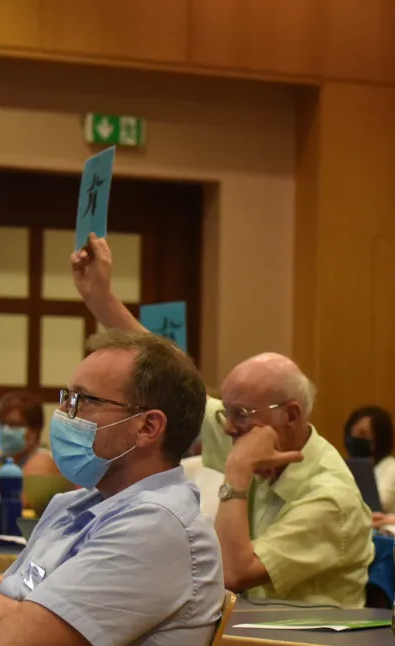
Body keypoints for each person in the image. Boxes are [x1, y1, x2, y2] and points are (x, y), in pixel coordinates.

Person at [70, 233, 374, 608]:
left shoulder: (330, 497)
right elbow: (173, 382)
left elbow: (233, 573)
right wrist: (100, 298)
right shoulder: (255, 438)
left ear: (291, 414)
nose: (228, 428)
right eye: (226, 412)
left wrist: (236, 474)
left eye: (240, 416)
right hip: (250, 644)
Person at [0, 330, 224, 646]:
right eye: (66, 398)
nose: (64, 415)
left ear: (147, 427)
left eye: (82, 401)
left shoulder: (156, 526)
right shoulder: (70, 505)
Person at [0, 390, 63, 496]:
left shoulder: (42, 461)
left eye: (13, 424)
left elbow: (20, 502)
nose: (5, 430)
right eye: (1, 423)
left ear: (34, 431)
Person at [343, 405, 395, 513]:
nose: (354, 439)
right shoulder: (345, 465)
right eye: (351, 433)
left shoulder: (393, 467)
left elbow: (377, 504)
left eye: (362, 434)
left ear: (379, 438)